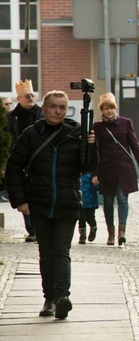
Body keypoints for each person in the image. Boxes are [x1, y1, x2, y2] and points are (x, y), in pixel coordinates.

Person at [5, 90, 97, 319]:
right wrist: (20, 201)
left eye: (62, 107)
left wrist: (91, 146)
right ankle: (49, 299)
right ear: (44, 108)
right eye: (53, 106)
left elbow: (87, 167)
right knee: (46, 253)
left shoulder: (76, 133)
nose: (58, 111)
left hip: (67, 203)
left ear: (67, 110)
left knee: (61, 250)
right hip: (39, 203)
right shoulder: (31, 135)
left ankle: (62, 296)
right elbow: (14, 168)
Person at [92, 93, 139, 246]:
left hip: (124, 167)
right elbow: (95, 151)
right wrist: (95, 173)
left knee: (123, 199)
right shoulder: (97, 126)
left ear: (115, 108)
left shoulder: (126, 122)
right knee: (108, 201)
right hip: (106, 168)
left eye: (111, 108)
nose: (109, 111)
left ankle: (121, 232)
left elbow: (134, 145)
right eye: (106, 108)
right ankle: (110, 232)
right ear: (102, 110)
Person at [6, 79, 43, 242]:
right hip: (19, 160)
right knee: (24, 194)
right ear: (19, 98)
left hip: (38, 160)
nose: (30, 98)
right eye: (26, 96)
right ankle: (32, 229)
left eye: (32, 95)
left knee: (37, 194)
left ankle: (38, 227)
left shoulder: (42, 114)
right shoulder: (10, 118)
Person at [78, 172, 99, 244]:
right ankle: (82, 235)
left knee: (91, 217)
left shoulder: (91, 175)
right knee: (81, 218)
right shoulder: (78, 176)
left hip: (91, 201)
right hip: (81, 201)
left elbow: (96, 188)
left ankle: (93, 228)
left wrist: (95, 183)